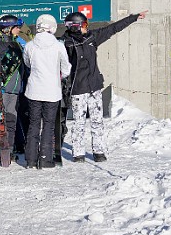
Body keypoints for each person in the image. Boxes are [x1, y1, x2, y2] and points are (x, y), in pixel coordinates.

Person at [62, 9, 147, 162]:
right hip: (78, 88)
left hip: (94, 87)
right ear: (75, 26)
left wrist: (133, 18)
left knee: (97, 121)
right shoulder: (65, 44)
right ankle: (78, 153)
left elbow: (112, 29)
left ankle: (98, 152)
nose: (87, 27)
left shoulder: (92, 38)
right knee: (79, 122)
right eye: (84, 24)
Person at [23, 14, 71, 169]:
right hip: (52, 91)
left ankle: (30, 160)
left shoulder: (30, 45)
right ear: (52, 27)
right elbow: (66, 68)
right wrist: (59, 76)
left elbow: (27, 63)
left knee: (33, 124)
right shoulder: (58, 45)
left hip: (33, 91)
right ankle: (45, 159)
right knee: (49, 125)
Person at [0, 14, 26, 163]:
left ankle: (8, 150)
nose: (19, 29)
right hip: (4, 89)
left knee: (11, 120)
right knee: (2, 121)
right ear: (8, 29)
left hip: (15, 89)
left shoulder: (18, 43)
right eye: (17, 27)